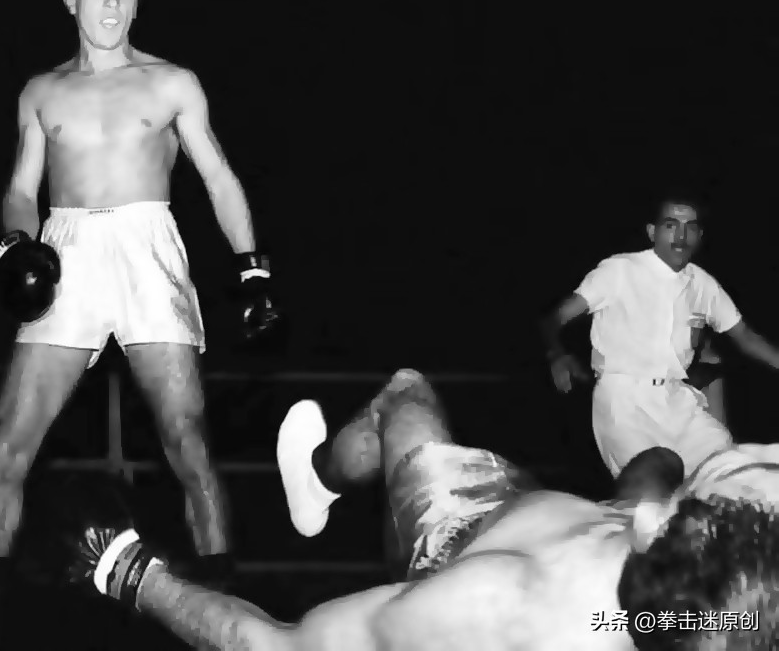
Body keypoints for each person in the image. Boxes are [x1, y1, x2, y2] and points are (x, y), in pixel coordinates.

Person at [59, 369, 779, 651]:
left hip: (460, 534)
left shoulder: (499, 604)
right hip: (588, 539)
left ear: (655, 527)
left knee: (406, 394)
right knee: (662, 459)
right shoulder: (724, 607)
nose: (759, 454)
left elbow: (275, 648)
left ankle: (315, 481)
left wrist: (128, 571)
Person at [0, 0, 282, 580]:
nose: (112, 3)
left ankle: (222, 600)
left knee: (188, 442)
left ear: (138, 2)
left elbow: (219, 178)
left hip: (148, 247)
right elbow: (21, 190)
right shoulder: (41, 92)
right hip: (66, 250)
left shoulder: (172, 82)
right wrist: (17, 244)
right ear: (72, 1)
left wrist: (252, 271)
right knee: (7, 443)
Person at [540, 187, 779, 481]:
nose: (681, 235)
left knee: (729, 471)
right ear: (652, 232)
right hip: (624, 401)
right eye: (671, 225)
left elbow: (745, 337)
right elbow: (555, 318)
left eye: (690, 227)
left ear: (700, 236)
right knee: (653, 485)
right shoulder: (619, 270)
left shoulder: (703, 284)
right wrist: (557, 353)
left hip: (677, 400)